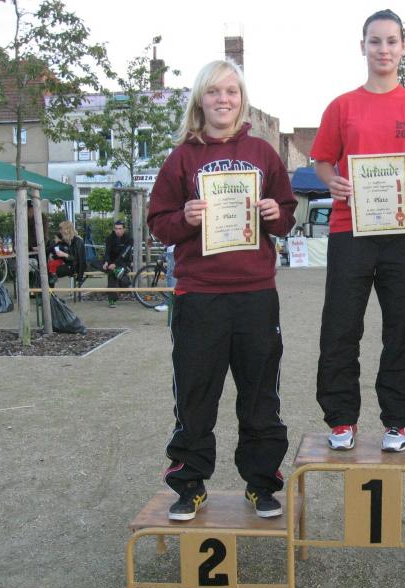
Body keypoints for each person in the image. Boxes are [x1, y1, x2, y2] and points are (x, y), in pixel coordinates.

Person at [147, 59, 296, 521]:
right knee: (195, 393)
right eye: (213, 92)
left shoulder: (263, 153)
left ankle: (262, 483)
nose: (223, 100)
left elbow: (287, 214)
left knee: (260, 394)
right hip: (199, 295)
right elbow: (159, 223)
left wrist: (275, 214)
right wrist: (185, 218)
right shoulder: (182, 157)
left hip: (255, 293)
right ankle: (189, 483)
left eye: (231, 91)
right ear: (200, 100)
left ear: (241, 99)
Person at [311, 9, 405, 453]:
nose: (383, 49)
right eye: (375, 41)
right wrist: (332, 180)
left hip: (404, 230)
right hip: (349, 229)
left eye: (392, 41)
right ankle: (341, 418)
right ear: (363, 47)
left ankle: (397, 420)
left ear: (403, 47)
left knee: (403, 328)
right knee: (340, 326)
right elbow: (322, 161)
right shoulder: (341, 106)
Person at [101, 220, 133, 308]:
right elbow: (107, 251)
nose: (118, 231)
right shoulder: (110, 238)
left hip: (124, 262)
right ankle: (112, 299)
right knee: (108, 269)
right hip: (111, 263)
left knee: (113, 272)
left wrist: (115, 264)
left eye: (120, 228)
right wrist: (106, 262)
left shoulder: (129, 239)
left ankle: (124, 284)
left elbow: (124, 253)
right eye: (116, 228)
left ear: (124, 229)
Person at [47, 221, 86, 286]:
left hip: (75, 267)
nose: (60, 231)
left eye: (61, 229)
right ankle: (50, 290)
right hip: (67, 264)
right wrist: (53, 256)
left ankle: (50, 290)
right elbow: (54, 250)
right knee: (47, 268)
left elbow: (80, 260)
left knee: (48, 272)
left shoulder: (78, 241)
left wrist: (80, 278)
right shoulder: (65, 240)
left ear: (67, 230)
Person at [153, 244, 174, 313]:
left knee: (171, 276)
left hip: (173, 250)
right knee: (171, 276)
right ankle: (170, 301)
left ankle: (169, 302)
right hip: (171, 249)